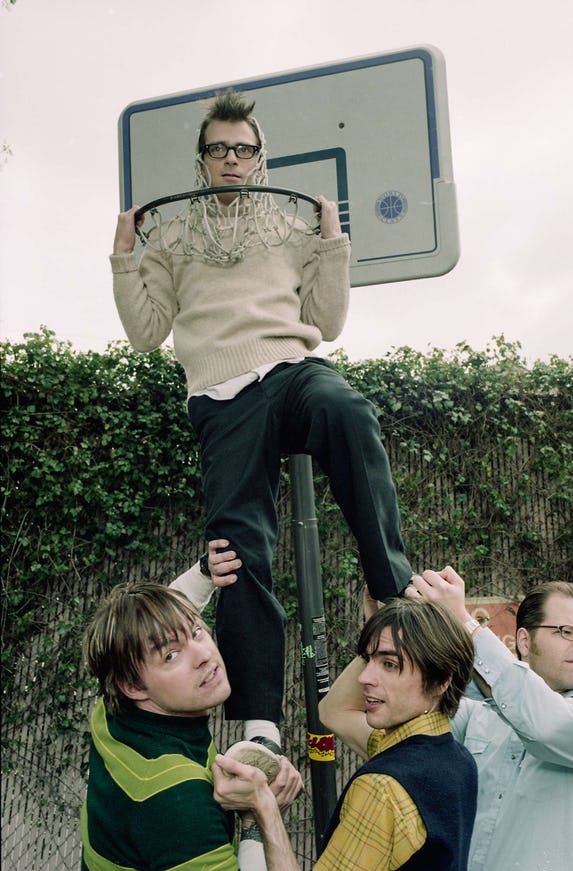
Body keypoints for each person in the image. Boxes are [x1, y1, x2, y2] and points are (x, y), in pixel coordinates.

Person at [111, 89, 413, 754]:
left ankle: (395, 595)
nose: (231, 159)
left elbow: (328, 322)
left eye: (242, 149)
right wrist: (125, 256)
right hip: (221, 392)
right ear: (203, 158)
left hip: (287, 370)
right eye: (218, 148)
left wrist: (332, 243)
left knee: (346, 407)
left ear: (259, 158)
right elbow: (145, 331)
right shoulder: (175, 235)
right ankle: (259, 720)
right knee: (233, 548)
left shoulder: (287, 225)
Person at [213, 596, 479, 870]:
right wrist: (385, 628)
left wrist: (264, 808)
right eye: (368, 660)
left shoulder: (382, 788)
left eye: (390, 665)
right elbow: (332, 711)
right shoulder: (458, 760)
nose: (365, 677)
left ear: (441, 681)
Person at [405, 567, 573, 871]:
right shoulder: (479, 714)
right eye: (566, 631)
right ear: (524, 642)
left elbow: (543, 723)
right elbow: (400, 716)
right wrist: (390, 624)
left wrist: (463, 621)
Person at [80, 581, 302, 871]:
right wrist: (261, 812)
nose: (204, 655)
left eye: (197, 632)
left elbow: (163, 628)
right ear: (133, 686)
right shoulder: (177, 801)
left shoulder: (109, 714)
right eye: (171, 656)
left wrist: (206, 572)